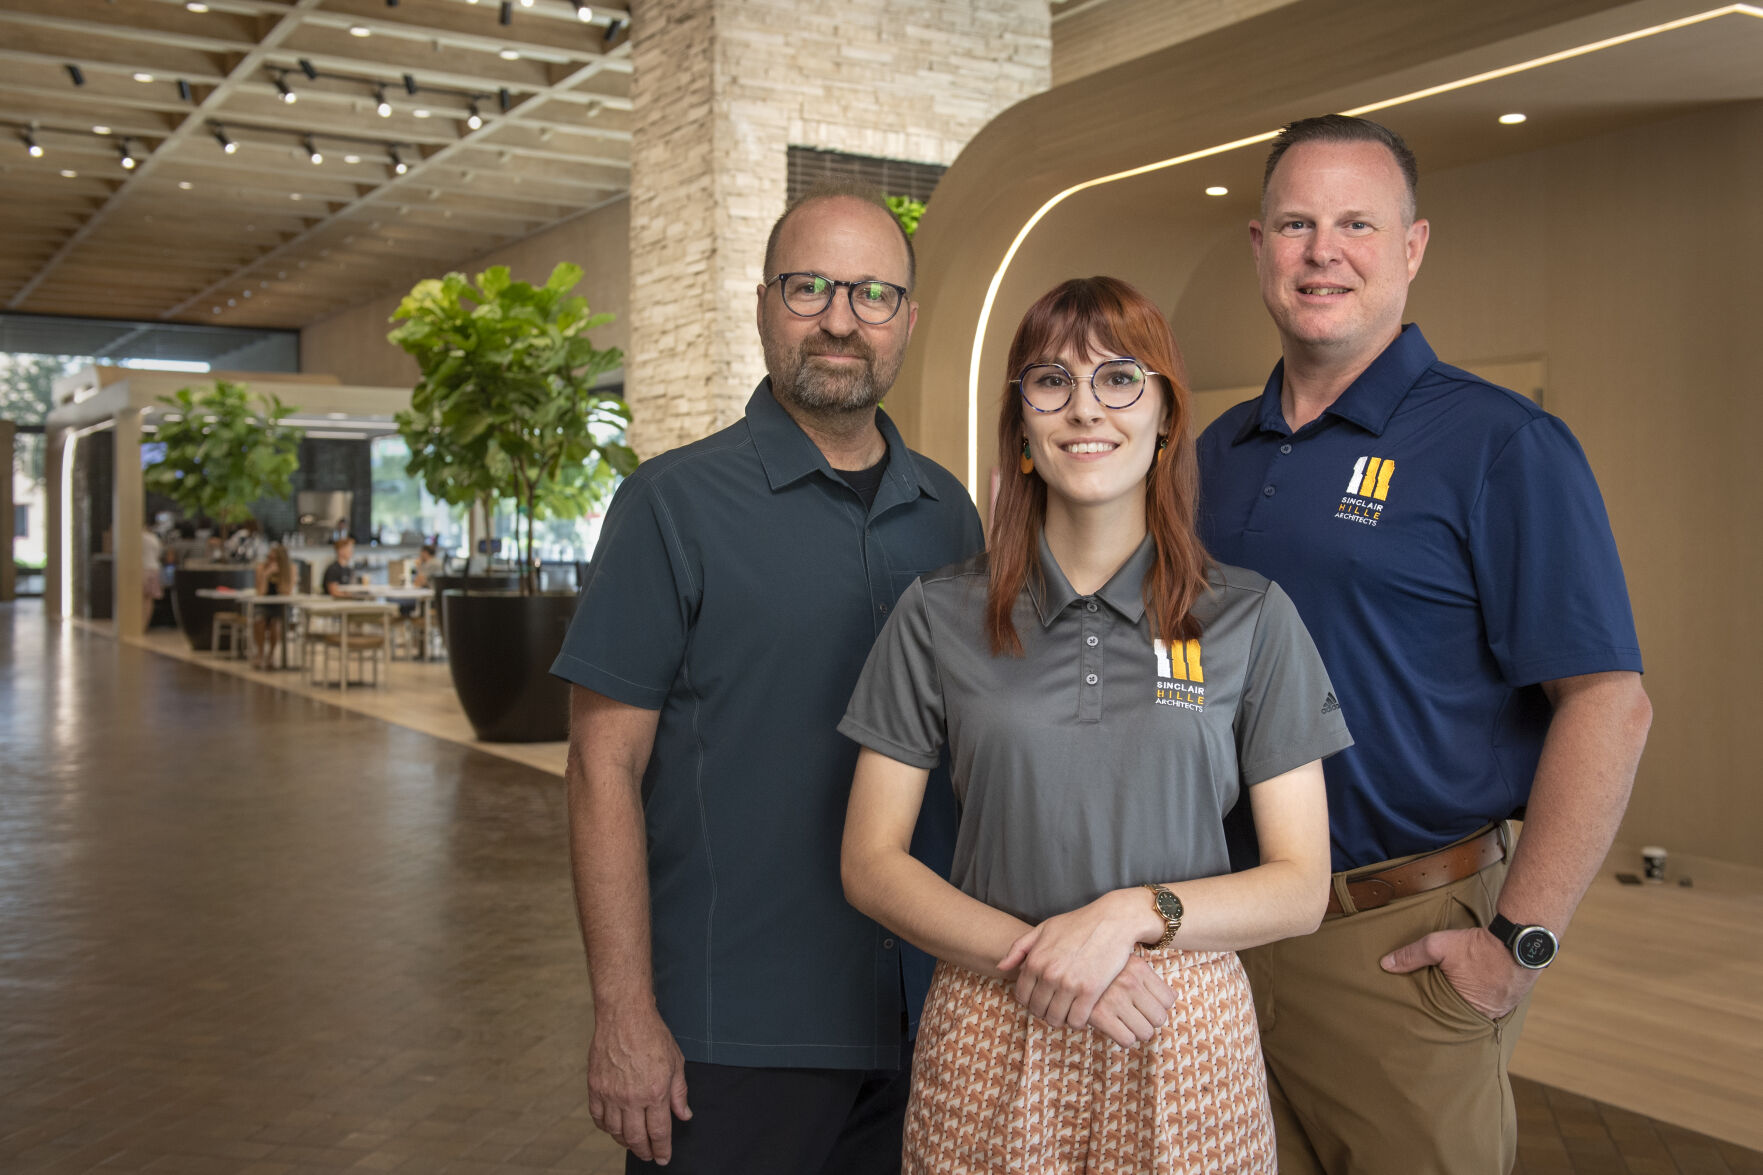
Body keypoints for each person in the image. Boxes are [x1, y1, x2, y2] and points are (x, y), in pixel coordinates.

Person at [1195, 114, 1653, 1174]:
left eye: (1356, 222)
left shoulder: (1501, 445)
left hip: (1392, 944)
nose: (1323, 251)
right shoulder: (1210, 454)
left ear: (1410, 246)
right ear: (1256, 246)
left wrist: (1516, 943)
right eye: (1296, 222)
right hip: (1223, 932)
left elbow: (1607, 703)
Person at [839, 276, 1351, 1174]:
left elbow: (1301, 885)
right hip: (992, 1015)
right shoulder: (936, 614)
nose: (1085, 409)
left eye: (1120, 379)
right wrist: (1043, 954)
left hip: (1178, 1019)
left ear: (1164, 419)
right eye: (1050, 381)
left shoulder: (1250, 617)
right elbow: (870, 862)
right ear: (1022, 427)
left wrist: (1125, 918)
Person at [550, 184, 985, 1174]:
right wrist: (623, 1015)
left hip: (923, 1021)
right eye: (809, 287)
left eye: (873, 293)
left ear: (906, 320)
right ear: (761, 304)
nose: (840, 318)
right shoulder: (670, 506)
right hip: (730, 1036)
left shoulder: (949, 515)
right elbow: (599, 771)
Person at [252, 543, 294, 670]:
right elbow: (260, 593)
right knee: (259, 621)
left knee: (275, 624)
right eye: (269, 558)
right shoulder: (261, 568)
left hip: (280, 606)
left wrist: (280, 575)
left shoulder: (289, 569)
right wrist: (266, 575)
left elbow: (286, 591)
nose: (271, 561)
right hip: (264, 604)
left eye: (274, 559)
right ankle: (260, 652)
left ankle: (271, 654)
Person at [140, 523, 164, 633]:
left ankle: (137, 625)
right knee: (149, 600)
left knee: (139, 598)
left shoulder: (138, 538)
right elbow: (159, 554)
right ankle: (144, 625)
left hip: (141, 569)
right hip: (154, 568)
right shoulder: (153, 538)